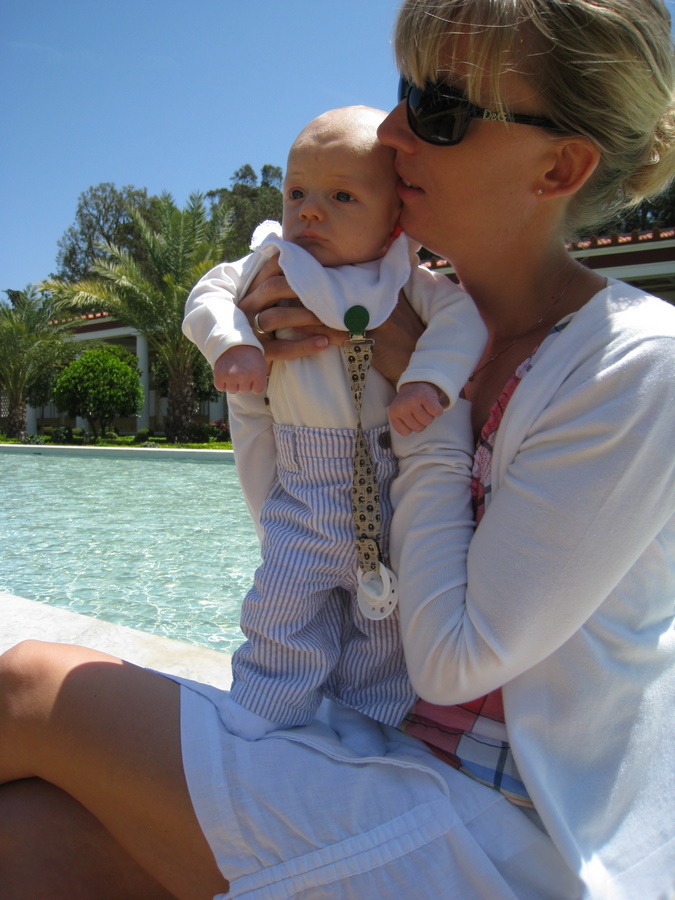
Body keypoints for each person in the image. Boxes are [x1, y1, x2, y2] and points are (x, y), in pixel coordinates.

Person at [1, 0, 674, 897]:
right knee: (30, 835)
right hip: (366, 742)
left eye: (437, 109)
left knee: (32, 689)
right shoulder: (394, 307)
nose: (391, 131)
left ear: (558, 166)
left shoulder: (630, 362)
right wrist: (273, 379)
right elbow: (305, 530)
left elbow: (455, 663)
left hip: (508, 830)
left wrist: (424, 400)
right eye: (402, 92)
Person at [182, 105, 486, 738]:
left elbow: (460, 323)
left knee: (385, 627)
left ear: (395, 218)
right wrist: (232, 343)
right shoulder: (271, 263)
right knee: (282, 607)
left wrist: (427, 379)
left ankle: (367, 724)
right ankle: (263, 714)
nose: (310, 212)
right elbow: (208, 296)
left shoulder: (405, 280)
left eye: (342, 196)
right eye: (297, 193)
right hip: (303, 490)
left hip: (388, 492)